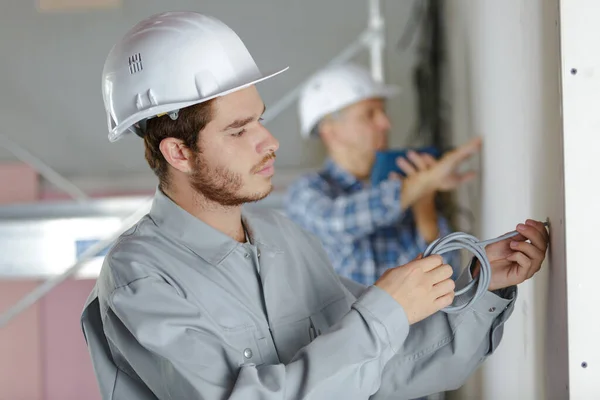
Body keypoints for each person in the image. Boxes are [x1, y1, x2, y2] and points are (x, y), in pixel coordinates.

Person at [80, 12, 549, 400]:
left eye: (260, 119)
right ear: (178, 153)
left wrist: (484, 289)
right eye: (239, 130)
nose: (270, 142)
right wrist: (385, 311)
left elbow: (386, 369)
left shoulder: (284, 239)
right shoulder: (139, 278)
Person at [285, 63, 464, 286]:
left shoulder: (403, 187)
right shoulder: (306, 192)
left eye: (383, 112)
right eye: (369, 114)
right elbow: (337, 222)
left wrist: (424, 205)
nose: (385, 123)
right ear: (330, 131)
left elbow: (448, 276)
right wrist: (417, 185)